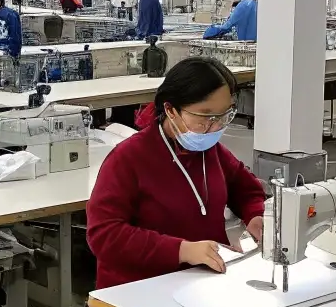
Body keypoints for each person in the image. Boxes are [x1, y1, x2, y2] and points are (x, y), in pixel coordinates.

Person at [87, 57, 266, 286]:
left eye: (224, 116)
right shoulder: (128, 159)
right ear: (170, 110)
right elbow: (104, 235)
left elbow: (245, 188)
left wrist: (255, 214)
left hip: (203, 280)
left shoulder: (210, 151)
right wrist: (181, 250)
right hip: (140, 287)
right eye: (206, 117)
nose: (216, 126)